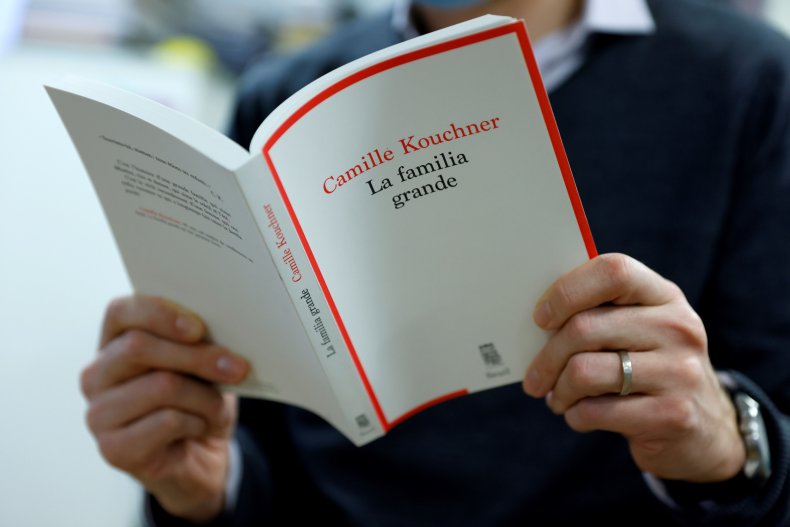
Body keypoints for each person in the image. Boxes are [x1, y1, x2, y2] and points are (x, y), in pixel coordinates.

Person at [79, 0, 790, 525]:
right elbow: (263, 456)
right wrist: (206, 487)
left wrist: (727, 441)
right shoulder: (284, 96)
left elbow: (772, 434)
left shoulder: (751, 83)